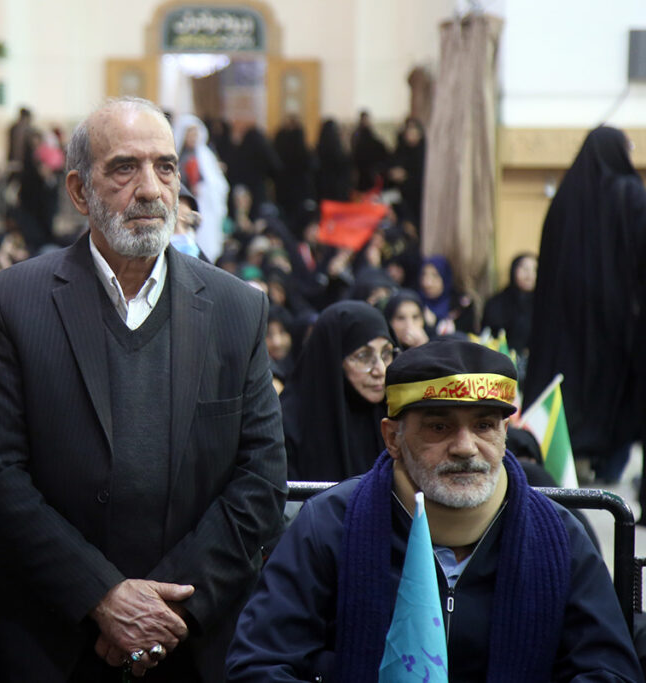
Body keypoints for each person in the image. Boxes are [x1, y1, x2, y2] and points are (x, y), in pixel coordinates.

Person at [0, 96, 287, 682]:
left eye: (165, 167)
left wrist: (164, 610)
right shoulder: (14, 302)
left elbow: (261, 478)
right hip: (58, 642)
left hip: (195, 641)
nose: (151, 189)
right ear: (79, 190)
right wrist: (102, 598)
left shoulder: (235, 309)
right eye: (124, 168)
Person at [227, 338, 641, 681]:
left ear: (504, 433)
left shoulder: (559, 537)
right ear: (393, 438)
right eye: (439, 427)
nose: (465, 447)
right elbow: (259, 663)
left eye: (483, 426)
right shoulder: (329, 526)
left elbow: (609, 670)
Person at [526, 126, 646, 486]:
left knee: (572, 386)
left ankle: (570, 457)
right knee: (617, 388)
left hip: (563, 323)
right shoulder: (630, 193)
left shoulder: (564, 199)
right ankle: (608, 463)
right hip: (618, 319)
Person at [280, 300, 393, 483]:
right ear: (332, 361)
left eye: (386, 354)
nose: (380, 370)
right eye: (364, 356)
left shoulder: (395, 414)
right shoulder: (289, 424)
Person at [172, 114, 229, 262]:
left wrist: (202, 188)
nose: (193, 137)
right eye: (189, 134)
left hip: (204, 205)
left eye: (195, 134)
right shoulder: (176, 155)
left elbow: (217, 184)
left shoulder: (205, 155)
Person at [482, 252, 536, 358]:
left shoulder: (544, 305)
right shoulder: (498, 302)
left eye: (535, 270)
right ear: (514, 270)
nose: (529, 275)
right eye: (524, 268)